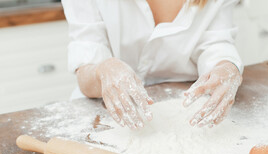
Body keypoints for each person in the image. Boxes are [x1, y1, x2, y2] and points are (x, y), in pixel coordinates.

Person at [62, 0, 243, 129]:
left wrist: (225, 66)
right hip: (102, 117)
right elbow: (86, 69)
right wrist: (104, 69)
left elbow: (215, 43)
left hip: (185, 111)